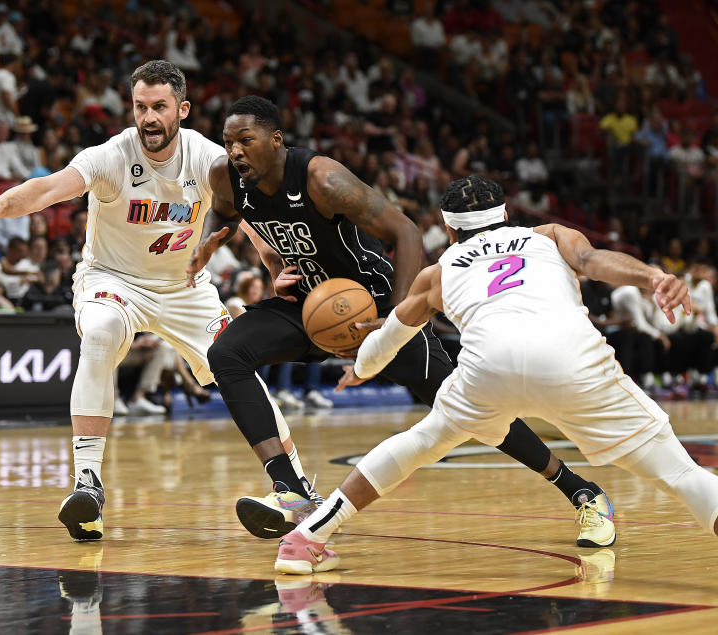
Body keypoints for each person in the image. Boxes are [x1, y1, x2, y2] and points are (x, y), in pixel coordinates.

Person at [274, 175, 718, 602]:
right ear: (507, 214)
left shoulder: (439, 271)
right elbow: (599, 260)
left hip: (487, 370)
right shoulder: (548, 235)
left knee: (420, 441)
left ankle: (305, 539)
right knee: (680, 473)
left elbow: (384, 346)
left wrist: (360, 362)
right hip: (572, 360)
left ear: (448, 229)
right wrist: (654, 276)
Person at [189, 96, 616, 547]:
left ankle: (581, 491)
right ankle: (291, 491)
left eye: (244, 141)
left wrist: (393, 321)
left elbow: (407, 231)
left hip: (372, 309)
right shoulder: (227, 177)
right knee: (227, 353)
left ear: (276, 140)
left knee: (473, 409)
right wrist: (216, 242)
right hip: (308, 306)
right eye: (228, 142)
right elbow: (225, 210)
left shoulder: (322, 178)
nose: (234, 151)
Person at [0, 60, 293, 543]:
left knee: (234, 364)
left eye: (159, 107)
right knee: (102, 332)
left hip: (184, 288)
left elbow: (250, 213)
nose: (148, 118)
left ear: (183, 109)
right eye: (140, 107)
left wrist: (274, 265)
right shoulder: (112, 155)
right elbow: (47, 189)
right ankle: (87, 485)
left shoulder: (206, 157)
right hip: (113, 280)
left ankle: (295, 490)